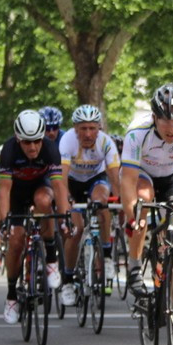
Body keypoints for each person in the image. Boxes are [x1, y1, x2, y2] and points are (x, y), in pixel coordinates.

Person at [120, 85, 173, 331]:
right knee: (143, 199)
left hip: (172, 178)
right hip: (143, 175)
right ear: (154, 117)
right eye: (166, 122)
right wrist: (133, 217)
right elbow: (128, 181)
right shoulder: (137, 132)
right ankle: (134, 265)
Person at [0, 110, 72, 324]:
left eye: (37, 141)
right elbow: (4, 190)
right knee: (16, 241)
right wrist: (5, 222)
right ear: (18, 139)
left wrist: (65, 216)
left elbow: (59, 185)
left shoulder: (50, 149)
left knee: (44, 202)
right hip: (17, 194)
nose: (32, 147)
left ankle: (50, 257)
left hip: (41, 187)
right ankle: (12, 295)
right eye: (27, 142)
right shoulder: (9, 151)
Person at [60, 104, 121, 290]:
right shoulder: (67, 141)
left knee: (101, 203)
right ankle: (68, 281)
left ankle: (107, 255)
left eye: (92, 128)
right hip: (73, 182)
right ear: (75, 129)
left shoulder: (106, 143)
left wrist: (120, 201)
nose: (87, 134)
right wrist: (66, 200)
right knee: (76, 230)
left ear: (99, 128)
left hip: (97, 179)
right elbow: (61, 179)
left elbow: (114, 176)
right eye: (83, 128)